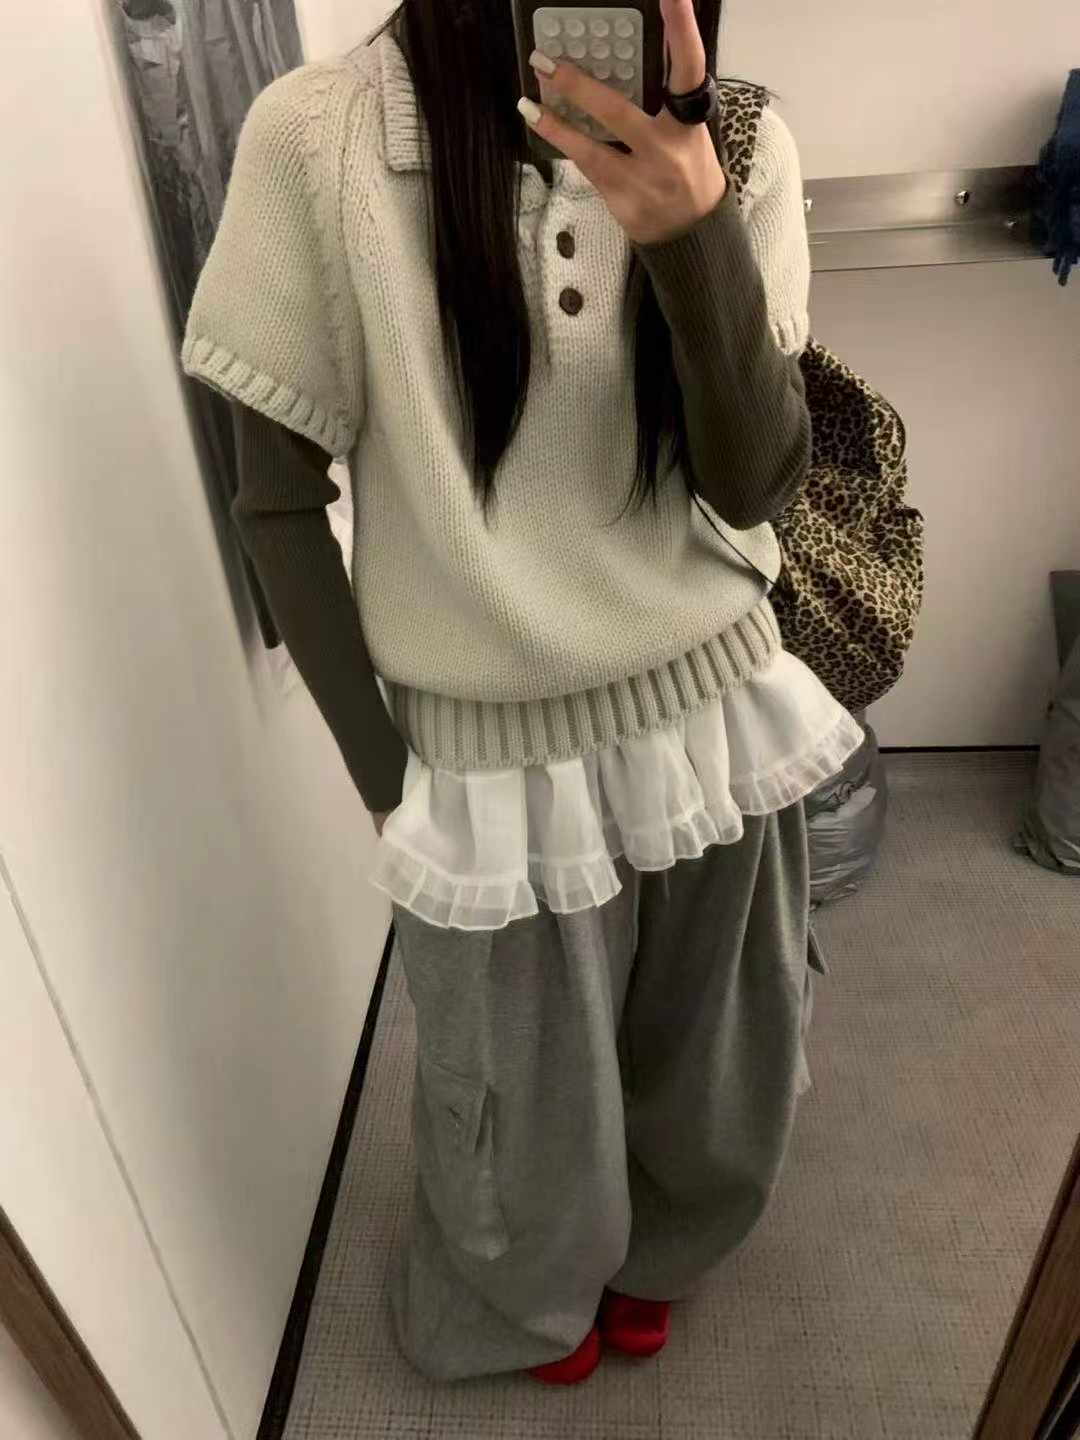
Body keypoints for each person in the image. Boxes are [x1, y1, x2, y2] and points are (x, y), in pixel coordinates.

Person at [182, 0, 865, 1388]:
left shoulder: (740, 139)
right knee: (508, 1101)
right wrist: (393, 780)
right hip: (479, 750)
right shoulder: (318, 139)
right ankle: (523, 1295)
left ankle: (668, 1249)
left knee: (718, 1056)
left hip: (716, 706)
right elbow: (276, 503)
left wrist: (692, 234)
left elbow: (755, 485)